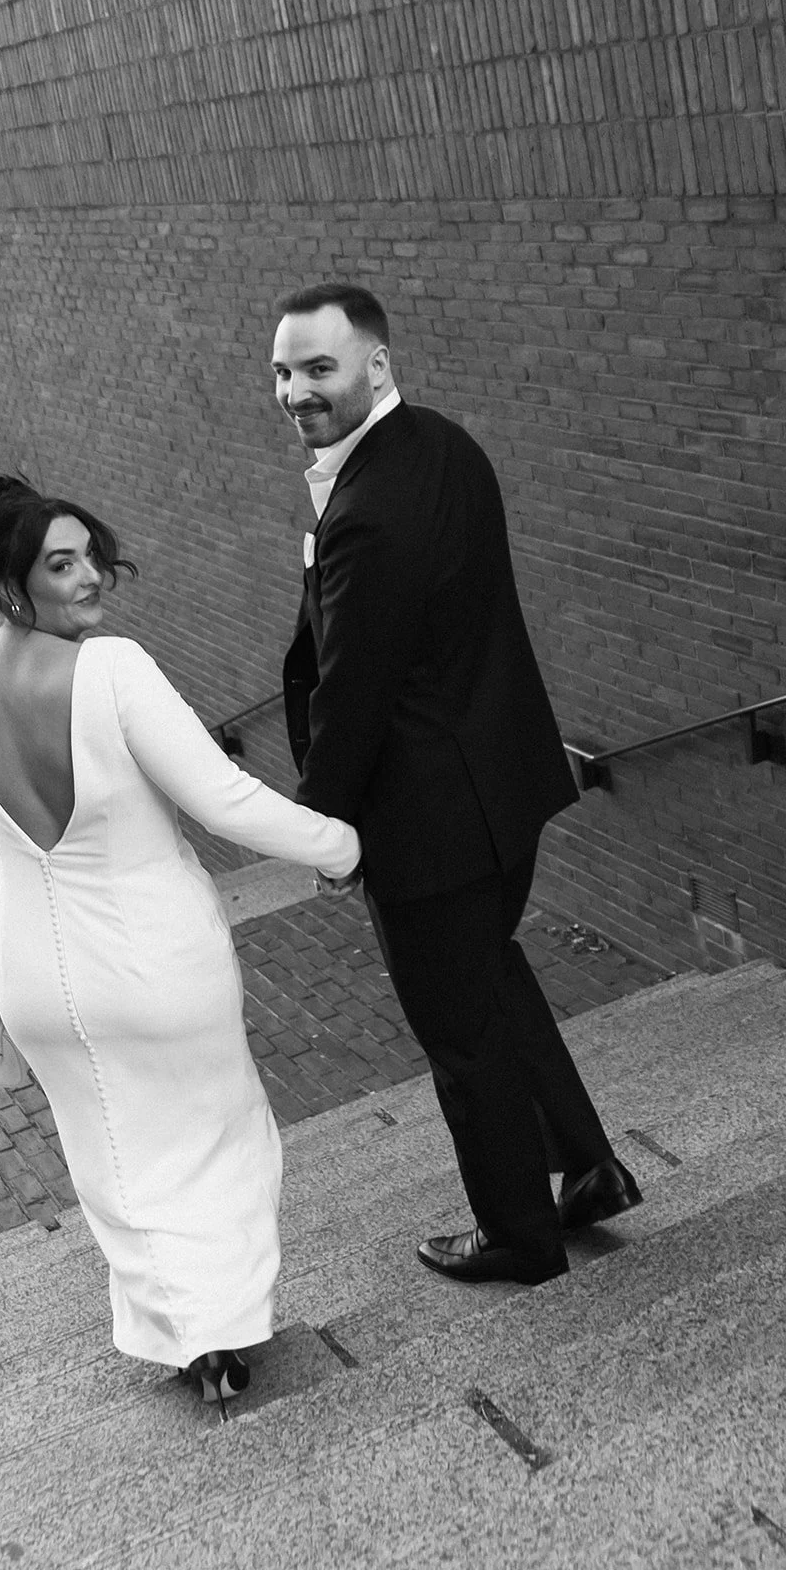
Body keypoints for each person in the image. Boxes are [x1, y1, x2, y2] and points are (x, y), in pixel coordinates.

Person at [0, 476, 360, 1417]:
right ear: (10, 582)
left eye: (90, 556)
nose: (92, 579)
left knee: (113, 1160)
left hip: (42, 977)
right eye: (61, 564)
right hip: (154, 961)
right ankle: (217, 1331)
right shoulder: (112, 670)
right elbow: (224, 800)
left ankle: (181, 1336)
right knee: (217, 1138)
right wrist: (341, 845)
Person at [272, 282, 641, 1287]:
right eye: (283, 371)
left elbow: (352, 692)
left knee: (459, 1034)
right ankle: (587, 1170)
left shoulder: (367, 514)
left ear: (374, 365)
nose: (296, 389)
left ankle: (518, 1233)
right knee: (493, 982)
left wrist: (319, 826)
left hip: (428, 824)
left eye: (319, 368)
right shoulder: (444, 446)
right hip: (502, 786)